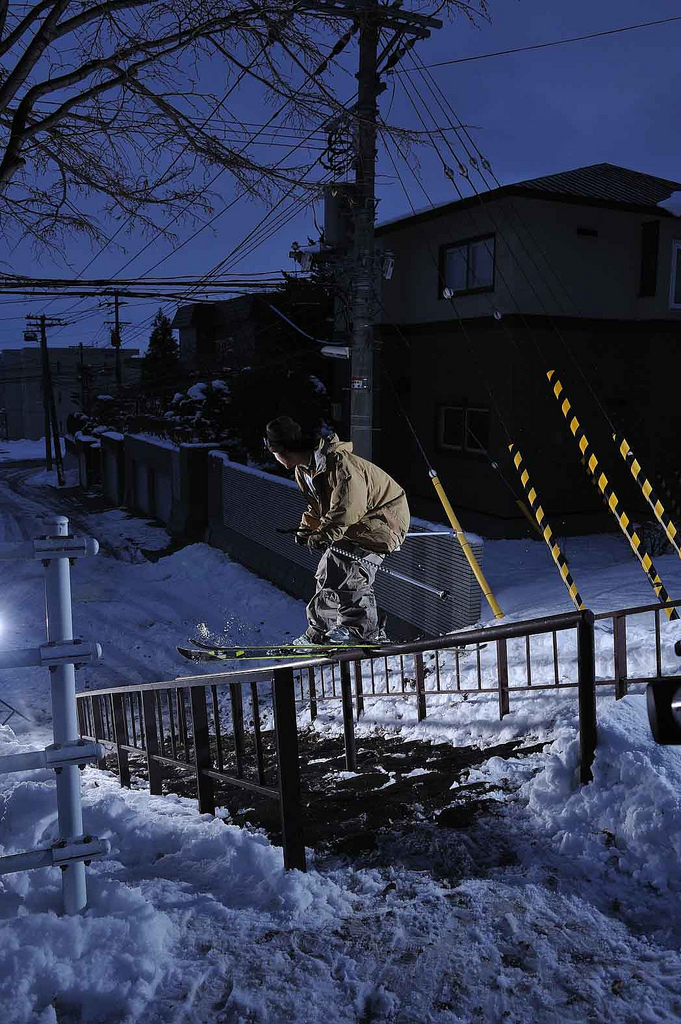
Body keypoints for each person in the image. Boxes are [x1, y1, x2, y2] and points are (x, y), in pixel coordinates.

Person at [264, 415, 410, 644]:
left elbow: (348, 507)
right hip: (356, 523)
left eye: (273, 453)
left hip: (383, 520)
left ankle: (363, 631)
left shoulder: (340, 464)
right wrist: (307, 530)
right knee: (327, 571)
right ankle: (319, 631)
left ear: (283, 451)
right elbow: (318, 506)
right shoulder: (304, 470)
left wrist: (324, 534)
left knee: (350, 572)